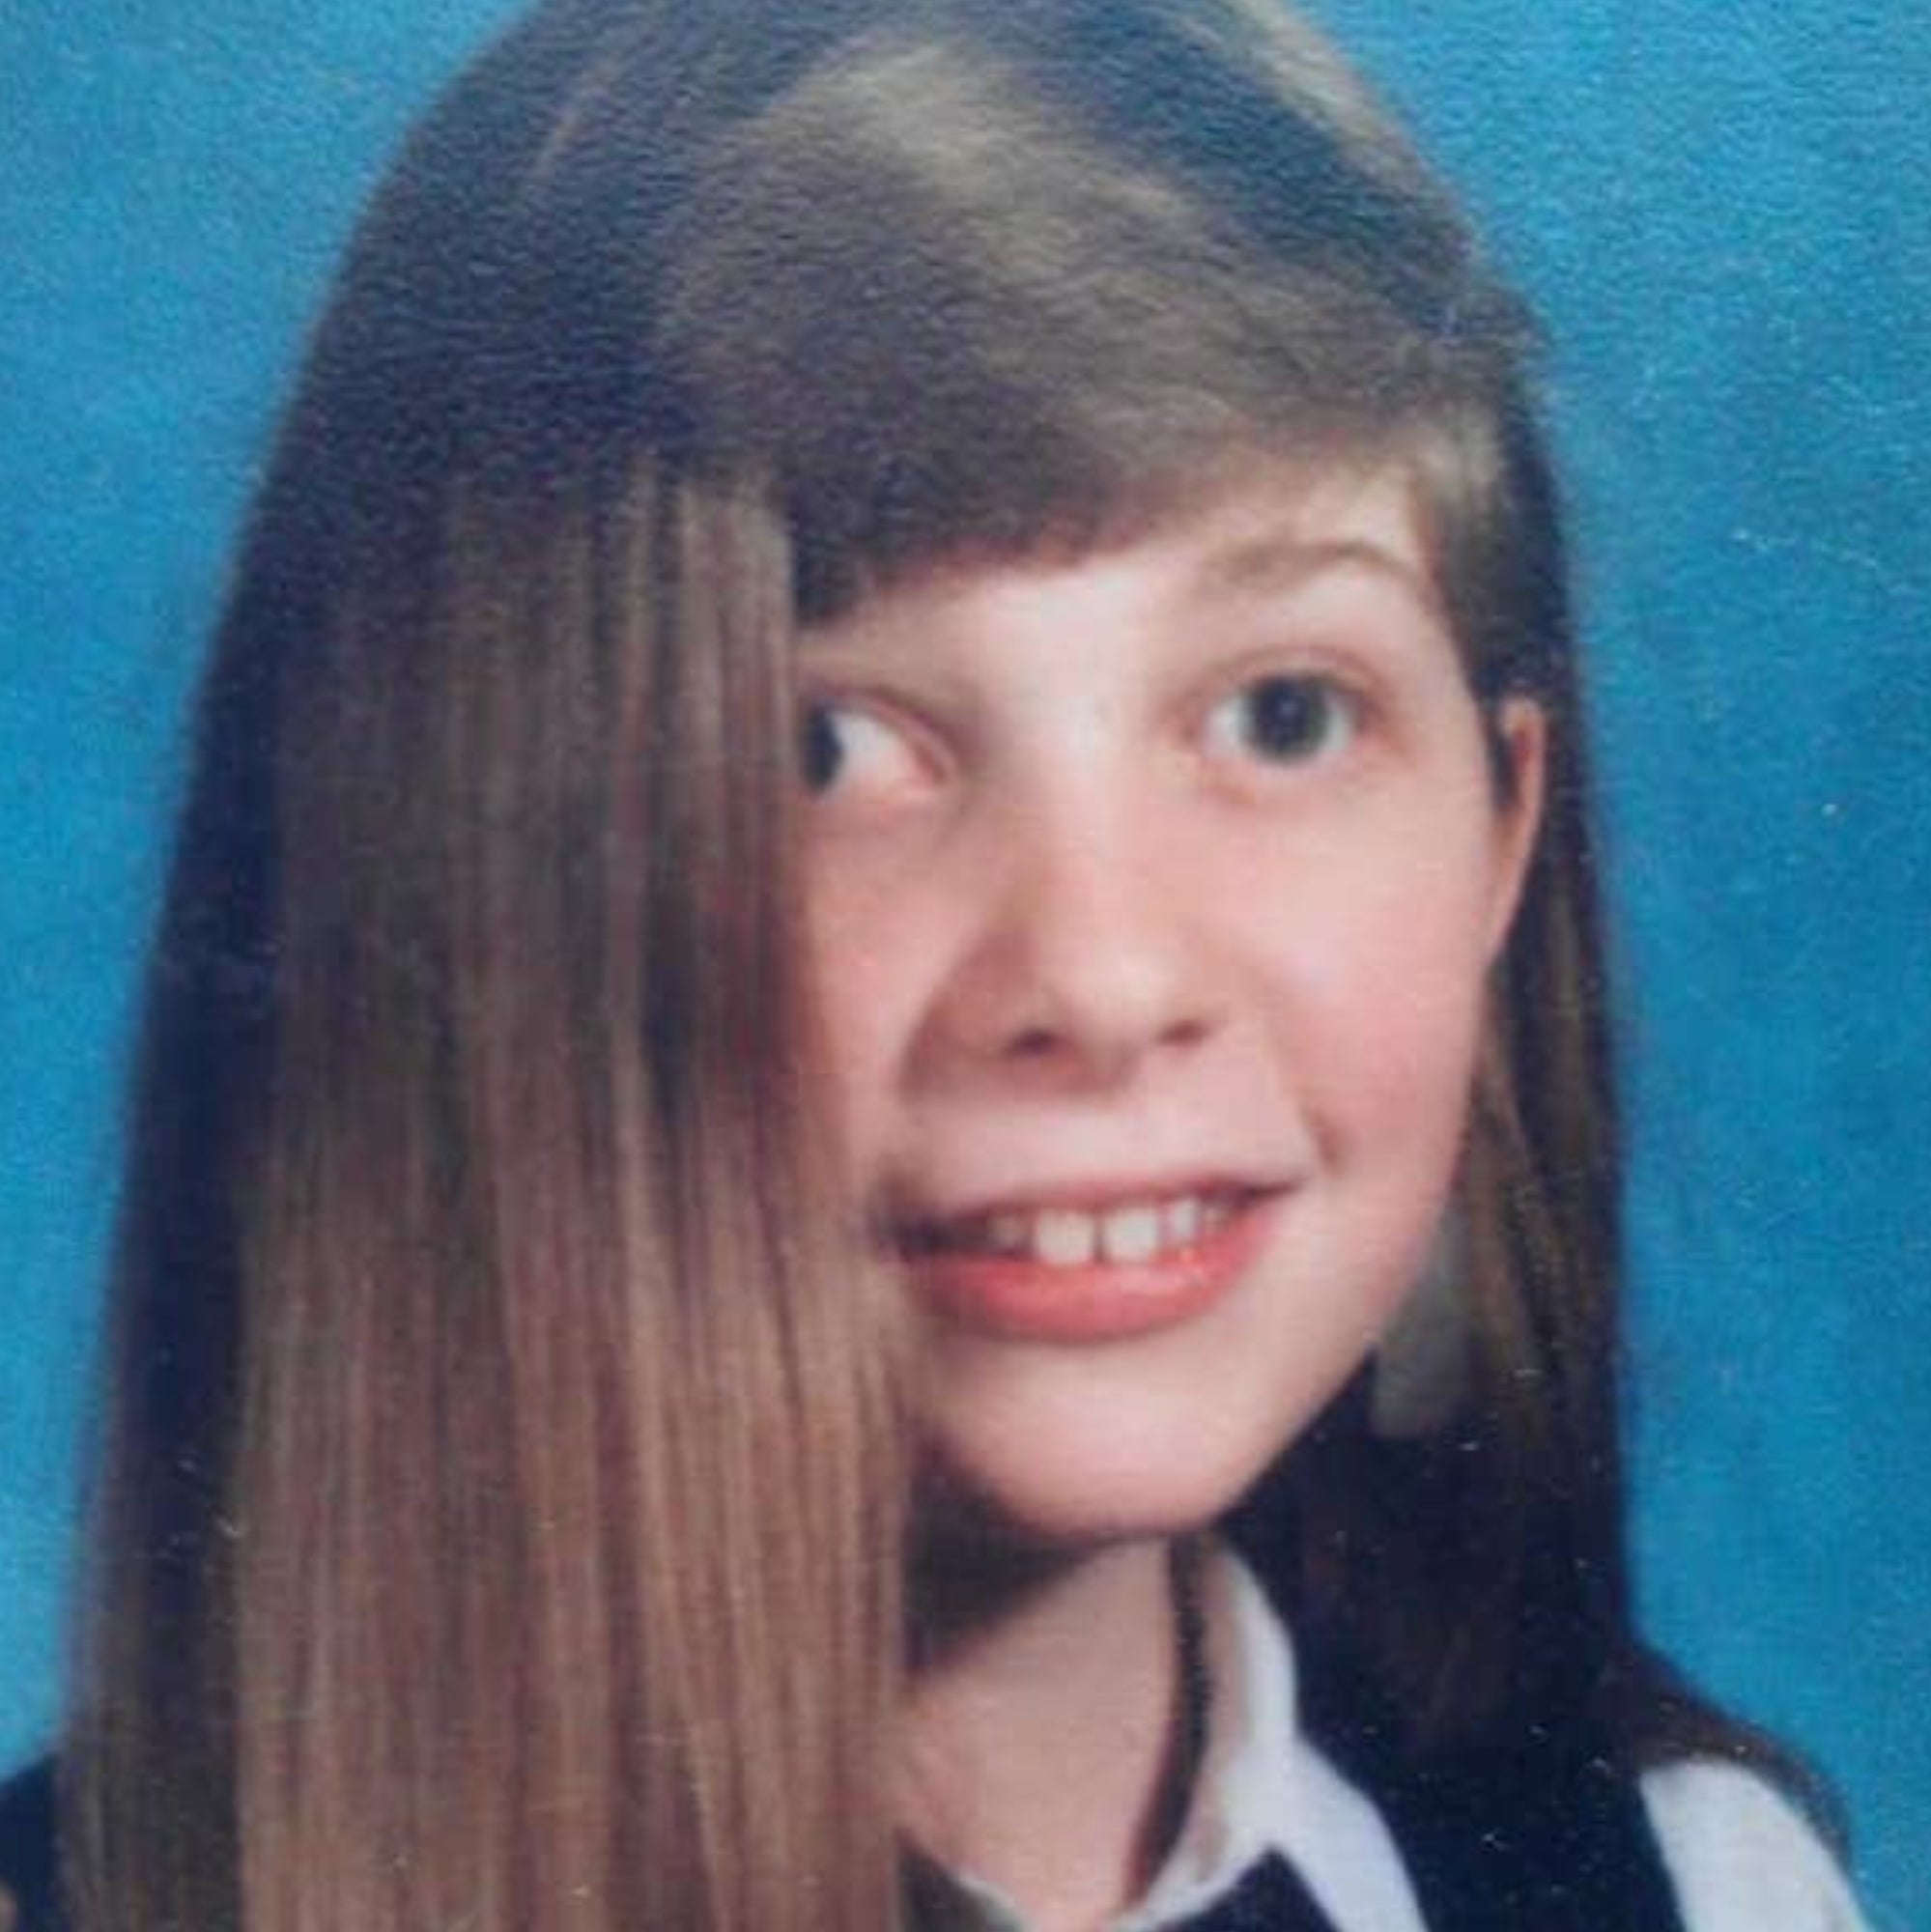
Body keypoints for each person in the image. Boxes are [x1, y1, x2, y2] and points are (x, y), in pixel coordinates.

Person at [0, 2, 1873, 1928]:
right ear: (450, 912)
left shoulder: (1694, 1885)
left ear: (1501, 825)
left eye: (1283, 714)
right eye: (823, 750)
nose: (1104, 969)